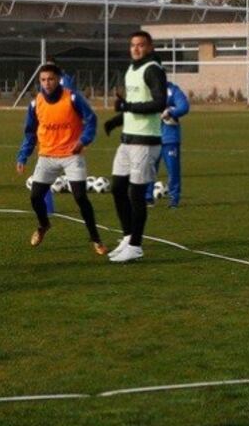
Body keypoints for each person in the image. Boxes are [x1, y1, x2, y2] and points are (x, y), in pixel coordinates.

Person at [16, 64, 106, 255]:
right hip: (47, 156)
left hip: (71, 155)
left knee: (80, 197)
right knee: (35, 197)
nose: (47, 83)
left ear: (58, 80)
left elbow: (91, 119)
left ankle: (96, 238)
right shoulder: (35, 104)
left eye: (50, 79)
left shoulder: (72, 98)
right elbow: (30, 133)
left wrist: (83, 140)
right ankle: (43, 225)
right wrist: (23, 156)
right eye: (43, 80)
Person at [102, 31, 167, 263]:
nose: (136, 49)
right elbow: (133, 106)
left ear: (149, 47)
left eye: (141, 45)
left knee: (136, 194)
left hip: (145, 141)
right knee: (118, 188)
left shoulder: (152, 69)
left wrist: (127, 106)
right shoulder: (132, 69)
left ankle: (136, 246)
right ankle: (129, 237)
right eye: (133, 45)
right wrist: (116, 120)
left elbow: (160, 102)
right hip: (128, 140)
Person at [145, 82, 190, 208]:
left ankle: (174, 200)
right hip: (151, 136)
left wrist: (170, 111)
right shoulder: (147, 89)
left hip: (170, 138)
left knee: (173, 170)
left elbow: (184, 106)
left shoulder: (173, 90)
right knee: (149, 168)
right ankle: (148, 198)